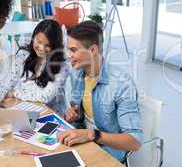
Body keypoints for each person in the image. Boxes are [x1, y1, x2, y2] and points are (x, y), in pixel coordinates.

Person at [57, 21, 143, 162]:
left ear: (93, 50)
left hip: (108, 150)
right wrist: (73, 113)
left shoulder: (121, 84)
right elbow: (82, 114)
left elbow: (135, 141)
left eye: (73, 50)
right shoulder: (77, 74)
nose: (68, 55)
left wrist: (93, 135)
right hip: (82, 142)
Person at [0, 19, 69, 115]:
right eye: (39, 41)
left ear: (55, 46)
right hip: (25, 110)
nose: (41, 48)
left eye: (48, 45)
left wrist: (14, 93)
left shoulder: (62, 65)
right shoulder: (23, 54)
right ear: (34, 37)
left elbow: (46, 97)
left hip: (50, 115)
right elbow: (8, 83)